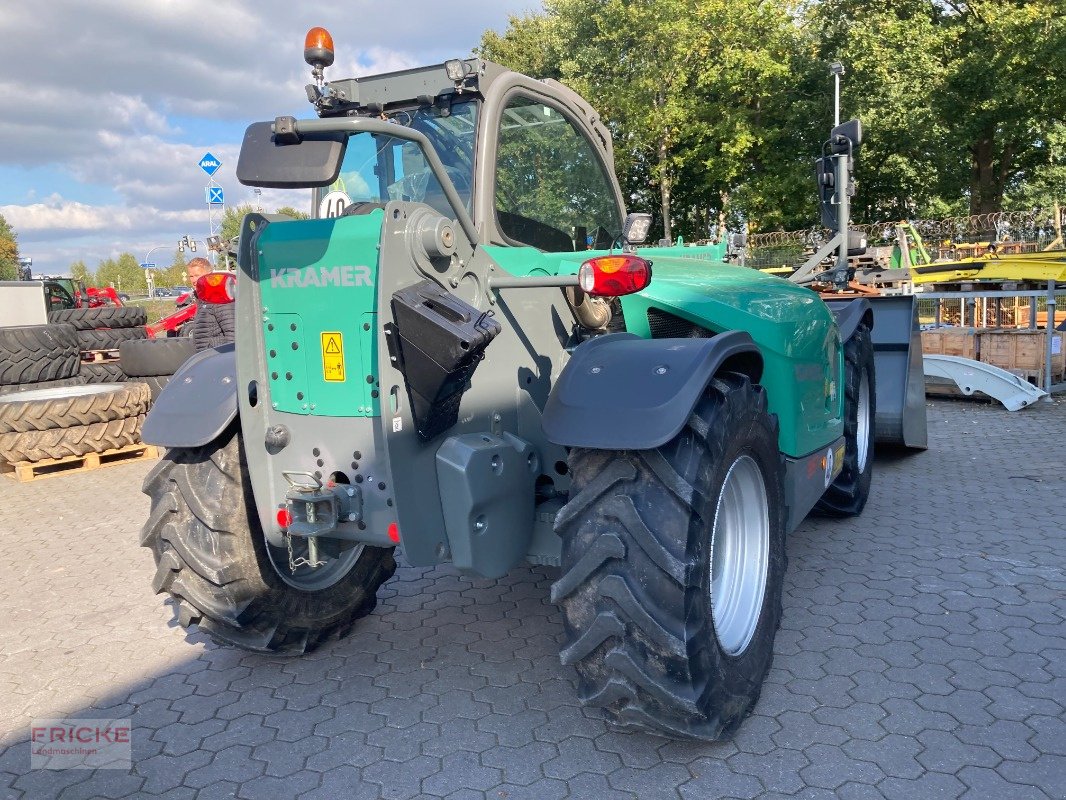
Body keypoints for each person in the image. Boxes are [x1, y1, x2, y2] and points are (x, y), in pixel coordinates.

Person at [186, 257, 235, 351]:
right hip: (207, 356)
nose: (194, 280)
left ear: (209, 275)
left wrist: (228, 358)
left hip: (219, 356)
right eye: (191, 276)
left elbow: (232, 332)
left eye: (197, 275)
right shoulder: (202, 298)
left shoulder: (219, 297)